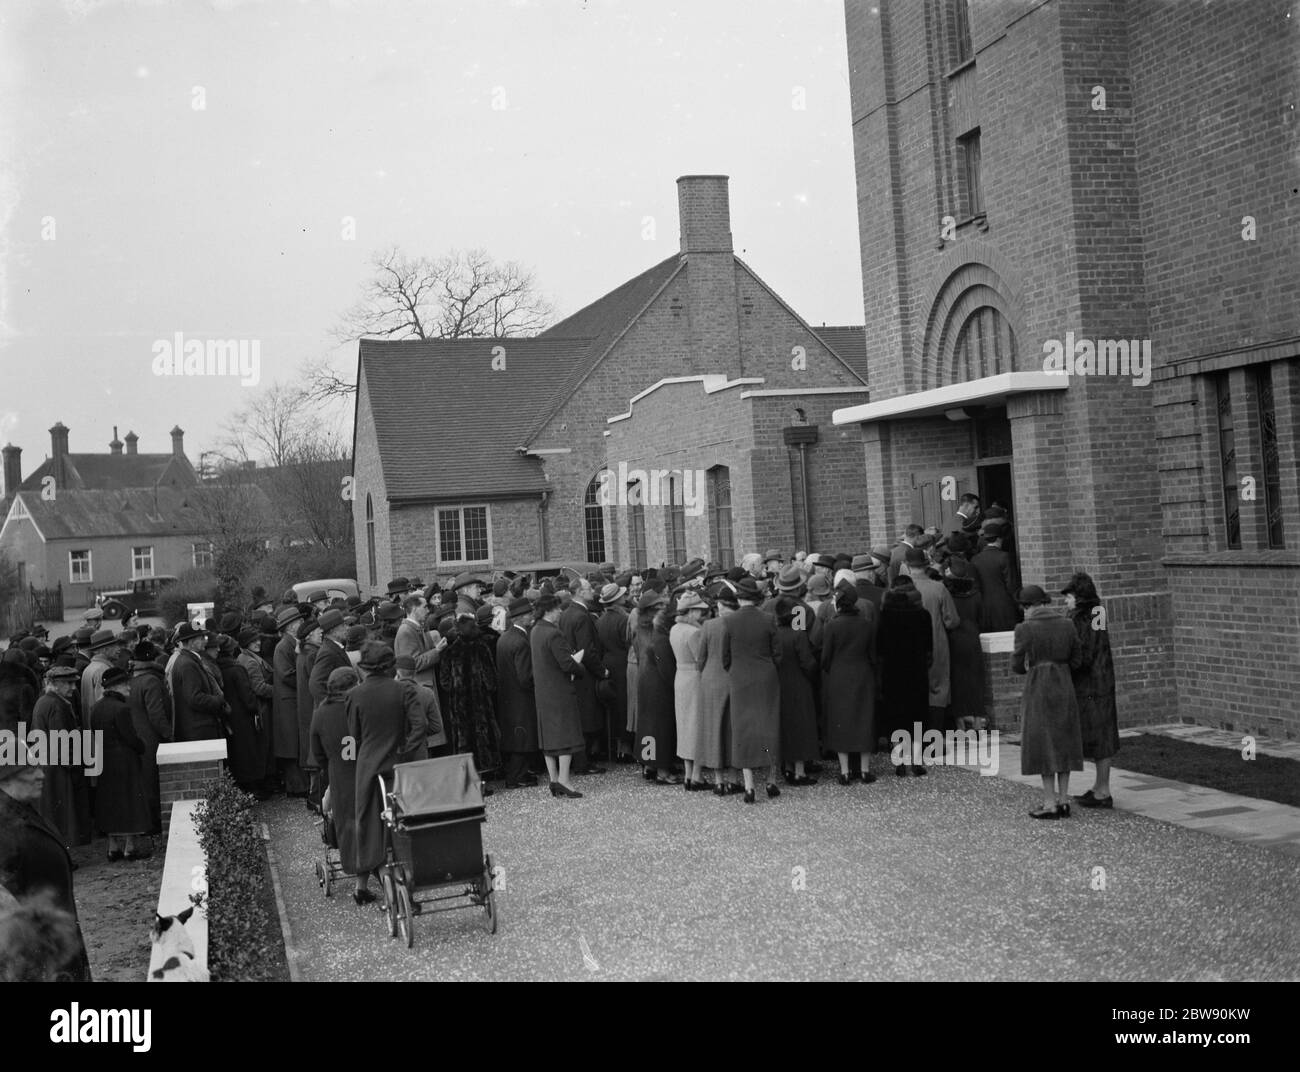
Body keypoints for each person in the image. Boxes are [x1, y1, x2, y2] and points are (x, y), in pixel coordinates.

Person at [0, 754, 92, 981]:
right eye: (30, 770)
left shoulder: (23, 811)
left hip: (57, 939)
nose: (41, 774)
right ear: (6, 778)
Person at [347, 643, 426, 903]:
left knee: (368, 824)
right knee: (402, 823)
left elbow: (353, 736)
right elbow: (419, 725)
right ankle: (407, 879)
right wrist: (404, 749)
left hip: (368, 766)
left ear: (365, 667)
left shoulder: (355, 695)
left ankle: (367, 883)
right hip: (399, 765)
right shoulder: (403, 689)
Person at [1012, 585, 1083, 819]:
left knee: (1043, 744)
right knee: (1064, 741)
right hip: (1064, 684)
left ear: (1027, 606)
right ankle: (1064, 800)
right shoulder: (1067, 624)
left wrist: (1030, 668)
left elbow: (1016, 663)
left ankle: (1049, 802)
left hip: (1038, 685)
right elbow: (1077, 659)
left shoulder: (1025, 629)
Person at [1063, 572, 1120, 808]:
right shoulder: (1098, 612)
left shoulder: (1081, 618)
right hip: (1102, 679)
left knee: (1100, 736)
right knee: (1103, 734)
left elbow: (1083, 652)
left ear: (1079, 597)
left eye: (1068, 596)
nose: (1066, 601)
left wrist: (1067, 664)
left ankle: (1103, 790)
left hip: (1089, 683)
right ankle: (1099, 786)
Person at [723, 576, 782, 803]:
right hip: (766, 676)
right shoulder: (768, 619)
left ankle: (749, 786)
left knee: (743, 729)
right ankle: (771, 780)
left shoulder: (729, 621)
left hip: (740, 678)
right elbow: (778, 654)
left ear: (738, 598)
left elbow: (725, 658)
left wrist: (736, 671)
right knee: (769, 725)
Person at [91, 666, 151, 861]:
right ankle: (130, 848)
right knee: (129, 803)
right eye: (126, 684)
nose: (129, 688)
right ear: (116, 686)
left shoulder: (97, 708)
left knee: (110, 804)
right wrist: (141, 746)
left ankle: (112, 848)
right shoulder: (122, 708)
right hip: (124, 760)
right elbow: (130, 737)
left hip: (104, 760)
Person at [528, 592, 585, 798]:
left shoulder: (535, 630)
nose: (560, 611)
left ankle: (553, 780)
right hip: (559, 691)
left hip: (543, 691)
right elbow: (567, 663)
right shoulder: (554, 633)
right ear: (549, 611)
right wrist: (580, 668)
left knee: (549, 738)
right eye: (557, 608)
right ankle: (564, 780)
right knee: (565, 736)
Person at [821, 587, 879, 785]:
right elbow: (873, 655)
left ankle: (845, 771)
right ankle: (864, 770)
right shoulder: (867, 625)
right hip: (863, 674)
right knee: (864, 718)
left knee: (841, 720)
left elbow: (825, 657)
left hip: (839, 674)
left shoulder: (831, 626)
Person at [30, 665, 92, 848]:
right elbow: (62, 741)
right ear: (55, 684)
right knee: (63, 816)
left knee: (51, 814)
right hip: (58, 767)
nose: (73, 687)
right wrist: (74, 767)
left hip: (47, 763)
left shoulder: (44, 701)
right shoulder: (57, 705)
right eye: (68, 683)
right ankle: (63, 854)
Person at [436, 610, 502, 780]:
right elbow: (491, 678)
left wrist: (455, 689)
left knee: (463, 737)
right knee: (482, 735)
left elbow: (444, 681)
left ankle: (469, 776)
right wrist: (486, 688)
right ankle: (485, 773)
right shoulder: (481, 647)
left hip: (459, 703)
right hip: (480, 701)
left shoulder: (450, 649)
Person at [878, 577, 933, 774]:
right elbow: (929, 649)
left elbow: (879, 648)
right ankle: (916, 762)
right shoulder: (923, 615)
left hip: (892, 673)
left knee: (895, 717)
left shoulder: (884, 616)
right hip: (916, 672)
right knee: (917, 717)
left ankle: (900, 761)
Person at [905, 546, 960, 742]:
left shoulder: (899, 590)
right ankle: (935, 739)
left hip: (909, 648)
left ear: (907, 566)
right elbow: (952, 620)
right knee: (938, 690)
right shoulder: (938, 588)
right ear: (926, 564)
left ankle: (916, 739)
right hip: (937, 644)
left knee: (913, 689)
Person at [310, 667, 360, 877]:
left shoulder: (321, 713)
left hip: (338, 772)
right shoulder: (358, 706)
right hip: (363, 767)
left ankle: (352, 862)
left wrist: (328, 765)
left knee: (345, 819)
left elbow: (317, 750)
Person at [560, 578, 609, 772]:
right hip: (585, 673)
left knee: (580, 718)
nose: (592, 592)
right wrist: (601, 670)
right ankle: (584, 762)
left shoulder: (566, 613)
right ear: (580, 591)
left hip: (574, 670)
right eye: (589, 589)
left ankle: (581, 760)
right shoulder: (582, 616)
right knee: (587, 718)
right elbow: (587, 649)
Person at [493, 598, 540, 788]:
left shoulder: (504, 637)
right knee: (523, 737)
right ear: (520, 618)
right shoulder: (521, 641)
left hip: (507, 695)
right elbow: (525, 676)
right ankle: (516, 777)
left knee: (515, 736)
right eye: (528, 613)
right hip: (521, 696)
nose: (531, 616)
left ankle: (518, 774)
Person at [633, 591, 679, 784]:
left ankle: (649, 764)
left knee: (647, 725)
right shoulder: (657, 631)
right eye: (660, 606)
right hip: (658, 682)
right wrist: (673, 682)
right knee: (661, 726)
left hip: (644, 679)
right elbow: (664, 663)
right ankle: (662, 769)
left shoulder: (639, 627)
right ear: (653, 610)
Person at [127, 641, 172, 835]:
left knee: (143, 782)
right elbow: (156, 715)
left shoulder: (132, 679)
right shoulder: (152, 681)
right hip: (152, 739)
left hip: (138, 738)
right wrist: (169, 735)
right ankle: (152, 823)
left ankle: (145, 822)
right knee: (153, 781)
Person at [774, 596, 819, 786]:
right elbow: (807, 662)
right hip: (799, 683)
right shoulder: (798, 634)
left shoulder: (774, 634)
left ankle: (788, 767)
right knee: (801, 727)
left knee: (784, 726)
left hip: (779, 684)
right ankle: (800, 772)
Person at [670, 590, 710, 790]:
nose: (701, 614)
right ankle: (696, 776)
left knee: (685, 726)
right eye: (699, 610)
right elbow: (700, 658)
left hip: (681, 677)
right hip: (694, 678)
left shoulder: (675, 628)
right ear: (691, 611)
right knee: (697, 725)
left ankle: (688, 774)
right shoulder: (694, 632)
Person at [944, 558, 988, 733]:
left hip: (954, 639)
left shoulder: (948, 594)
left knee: (957, 681)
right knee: (976, 680)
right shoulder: (976, 594)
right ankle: (978, 721)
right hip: (973, 638)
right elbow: (982, 618)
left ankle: (960, 724)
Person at [169, 622, 231, 742]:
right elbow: (195, 698)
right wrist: (218, 700)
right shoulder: (188, 664)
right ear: (192, 642)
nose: (205, 640)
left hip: (197, 728)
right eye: (201, 637)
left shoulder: (188, 660)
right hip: (198, 730)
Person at [272, 604, 309, 796]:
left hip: (293, 701)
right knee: (291, 747)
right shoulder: (283, 647)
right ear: (290, 626)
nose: (302, 623)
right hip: (288, 704)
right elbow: (286, 674)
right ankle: (296, 787)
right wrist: (305, 679)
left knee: (296, 746)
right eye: (299, 621)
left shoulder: (292, 643)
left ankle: (299, 786)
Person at [594, 582, 632, 762]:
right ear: (617, 600)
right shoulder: (624, 619)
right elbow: (629, 643)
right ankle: (625, 747)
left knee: (614, 708)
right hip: (623, 664)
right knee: (625, 706)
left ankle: (616, 747)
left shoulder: (600, 620)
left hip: (608, 664)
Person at [393, 594, 446, 689]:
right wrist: (437, 651)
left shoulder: (415, 628)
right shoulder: (406, 631)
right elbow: (413, 664)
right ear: (414, 609)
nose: (428, 611)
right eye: (425, 607)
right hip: (417, 689)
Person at [970, 532, 1019, 632]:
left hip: (985, 606)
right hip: (1005, 605)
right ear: (999, 539)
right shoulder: (1004, 557)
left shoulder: (975, 559)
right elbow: (1011, 584)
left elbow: (975, 585)